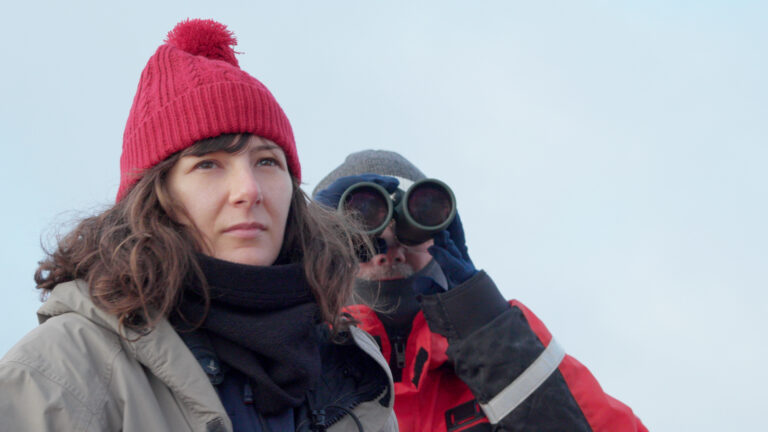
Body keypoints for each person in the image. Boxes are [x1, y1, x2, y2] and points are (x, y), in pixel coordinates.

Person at [0, 20, 396, 432]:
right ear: (155, 197)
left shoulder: (354, 371)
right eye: (208, 164)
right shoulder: (59, 376)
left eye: (267, 161)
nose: (248, 190)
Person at [313, 150, 648, 431]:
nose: (389, 250)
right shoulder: (299, 366)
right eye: (358, 235)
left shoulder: (503, 357)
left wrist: (486, 325)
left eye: (406, 230)